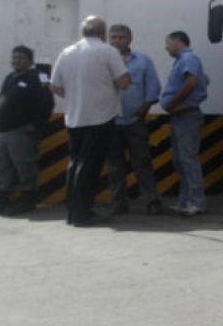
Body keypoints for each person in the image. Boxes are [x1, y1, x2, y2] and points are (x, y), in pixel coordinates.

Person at [51, 16, 129, 227]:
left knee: (75, 162)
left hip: (74, 117)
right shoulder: (108, 51)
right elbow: (124, 82)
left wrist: (76, 94)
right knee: (90, 166)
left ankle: (72, 211)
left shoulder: (66, 53)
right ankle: (83, 214)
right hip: (100, 116)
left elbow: (54, 86)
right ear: (103, 34)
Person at [106, 24, 164, 215]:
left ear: (130, 39)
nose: (117, 41)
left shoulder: (143, 61)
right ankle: (118, 202)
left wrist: (145, 108)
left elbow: (153, 87)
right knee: (115, 165)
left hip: (135, 121)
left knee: (142, 162)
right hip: (110, 122)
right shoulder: (102, 61)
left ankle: (152, 201)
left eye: (121, 37)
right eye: (113, 37)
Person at [0, 46, 54, 215]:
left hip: (21, 131)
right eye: (14, 57)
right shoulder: (10, 77)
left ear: (30, 61)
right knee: (0, 167)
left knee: (25, 166)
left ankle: (28, 200)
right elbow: (2, 101)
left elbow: (47, 103)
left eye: (21, 58)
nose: (16, 61)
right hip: (3, 131)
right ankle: (0, 200)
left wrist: (36, 123)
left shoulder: (37, 77)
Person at [160, 31, 209, 217]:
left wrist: (173, 103)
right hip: (180, 116)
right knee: (180, 160)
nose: (166, 47)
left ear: (179, 41)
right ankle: (184, 201)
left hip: (187, 115)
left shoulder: (189, 58)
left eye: (168, 43)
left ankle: (196, 202)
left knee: (188, 159)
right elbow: (205, 80)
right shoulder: (183, 61)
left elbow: (192, 81)